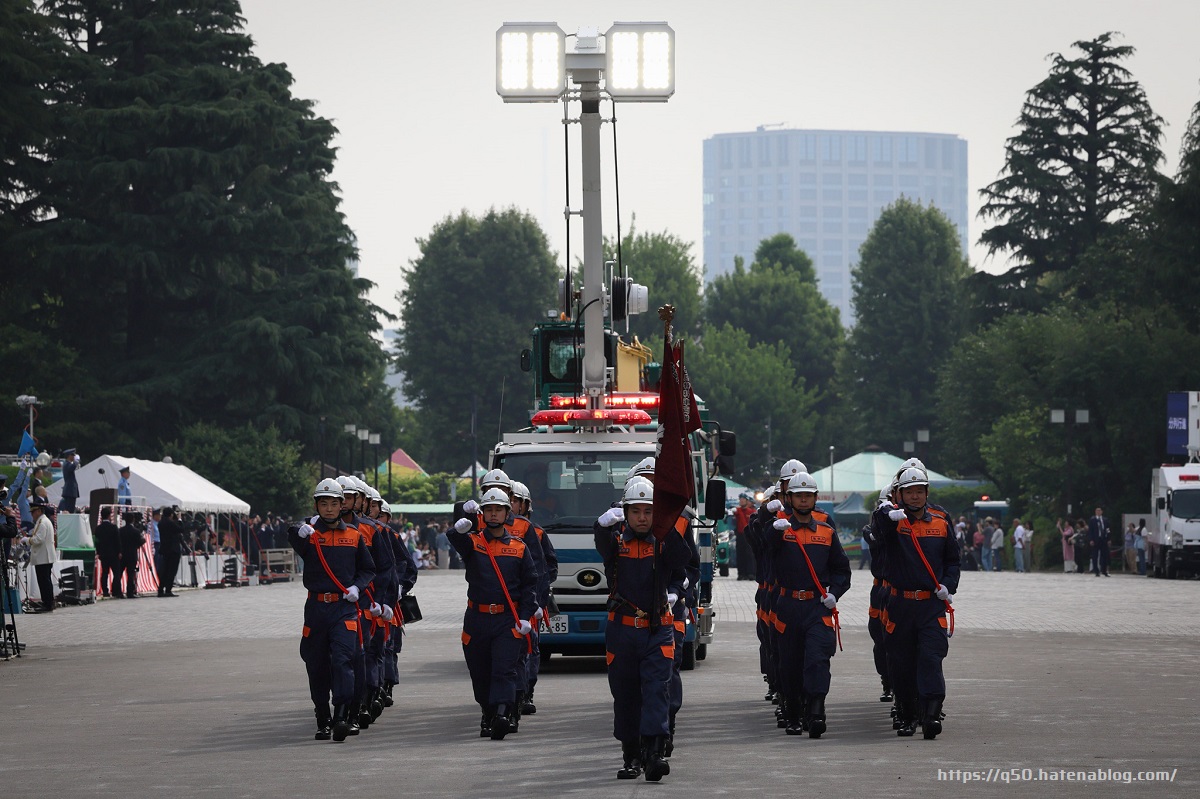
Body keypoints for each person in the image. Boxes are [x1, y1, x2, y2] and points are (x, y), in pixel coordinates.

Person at [594, 477, 689, 781]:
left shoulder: (663, 541)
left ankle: (655, 752)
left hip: (657, 629)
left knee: (656, 691)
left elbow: (682, 559)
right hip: (622, 631)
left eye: (648, 511)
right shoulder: (616, 542)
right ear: (625, 512)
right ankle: (630, 755)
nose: (642, 518)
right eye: (635, 511)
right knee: (625, 695)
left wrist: (669, 524)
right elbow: (602, 544)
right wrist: (601, 525)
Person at [873, 467, 960, 739]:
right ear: (900, 494)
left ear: (926, 494)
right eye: (909, 491)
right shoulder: (892, 523)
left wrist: (948, 584)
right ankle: (908, 714)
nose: (914, 496)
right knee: (902, 662)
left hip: (930, 605)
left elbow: (953, 561)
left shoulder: (940, 524)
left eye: (919, 491)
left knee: (931, 657)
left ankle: (931, 714)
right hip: (900, 604)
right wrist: (886, 510)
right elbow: (878, 527)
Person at [290, 478, 376, 742]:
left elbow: (368, 569)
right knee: (316, 665)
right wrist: (299, 530)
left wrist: (357, 588)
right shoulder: (310, 533)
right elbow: (292, 532)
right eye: (323, 503)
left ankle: (341, 716)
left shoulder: (354, 535)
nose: (328, 509)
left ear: (342, 505)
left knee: (343, 661)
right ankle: (322, 719)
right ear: (316, 506)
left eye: (334, 503)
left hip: (343, 608)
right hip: (316, 608)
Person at [448, 487, 538, 741]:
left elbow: (530, 583)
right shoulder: (474, 543)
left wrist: (525, 616)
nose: (494, 514)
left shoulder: (519, 548)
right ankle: (488, 712)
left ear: (507, 513)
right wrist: (459, 529)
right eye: (489, 509)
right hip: (477, 618)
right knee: (480, 670)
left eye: (499, 509)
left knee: (504, 668)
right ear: (483, 514)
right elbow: (454, 539)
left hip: (506, 618)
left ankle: (501, 713)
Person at [765, 471, 850, 737]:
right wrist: (772, 532)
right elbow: (763, 553)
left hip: (817, 607)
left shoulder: (826, 531)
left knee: (817, 660)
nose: (803, 501)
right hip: (787, 605)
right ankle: (792, 714)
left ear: (815, 499)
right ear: (789, 499)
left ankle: (815, 711)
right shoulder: (779, 529)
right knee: (788, 664)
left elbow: (841, 570)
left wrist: (835, 593)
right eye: (798, 496)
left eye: (808, 496)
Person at [25, 497, 58, 612]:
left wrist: (27, 540)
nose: (32, 514)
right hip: (44, 556)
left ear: (39, 511)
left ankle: (48, 603)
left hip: (43, 557)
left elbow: (38, 539)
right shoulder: (42, 521)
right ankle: (48, 602)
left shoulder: (42, 523)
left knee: (44, 581)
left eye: (33, 512)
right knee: (45, 581)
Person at [93, 507, 121, 597]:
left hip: (103, 553)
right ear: (109, 516)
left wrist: (99, 552)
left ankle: (105, 591)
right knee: (116, 573)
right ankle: (115, 590)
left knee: (105, 572)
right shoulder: (113, 527)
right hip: (113, 553)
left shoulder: (98, 529)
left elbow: (97, 541)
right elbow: (117, 541)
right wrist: (119, 551)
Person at [157, 508, 184, 597]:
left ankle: (160, 589)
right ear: (171, 515)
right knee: (172, 570)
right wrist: (179, 519)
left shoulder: (160, 523)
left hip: (165, 549)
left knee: (165, 570)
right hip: (173, 549)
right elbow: (181, 529)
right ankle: (168, 589)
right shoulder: (171, 523)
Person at [118, 511, 146, 598]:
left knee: (119, 574)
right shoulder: (136, 531)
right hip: (132, 554)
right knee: (130, 575)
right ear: (133, 520)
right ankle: (130, 592)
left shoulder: (120, 530)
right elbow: (141, 541)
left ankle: (117, 591)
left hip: (122, 555)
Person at [1087, 507, 1110, 577]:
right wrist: (1091, 539)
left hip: (1103, 539)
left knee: (1104, 555)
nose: (1098, 512)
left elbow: (1108, 529)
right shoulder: (1092, 520)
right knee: (1095, 555)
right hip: (1095, 539)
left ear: (1102, 512)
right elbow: (1090, 530)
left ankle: (1104, 570)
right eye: (1097, 510)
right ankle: (1096, 570)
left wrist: (1109, 539)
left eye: (1099, 510)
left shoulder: (1105, 520)